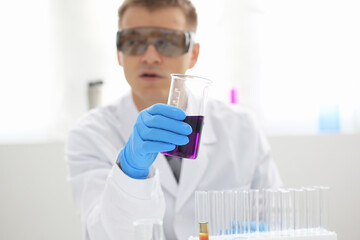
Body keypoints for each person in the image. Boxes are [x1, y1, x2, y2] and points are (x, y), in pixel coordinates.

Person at [65, 0, 282, 239]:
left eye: (168, 42)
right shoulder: (88, 134)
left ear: (193, 54)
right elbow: (102, 234)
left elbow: (277, 220)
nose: (150, 56)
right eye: (134, 41)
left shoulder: (242, 128)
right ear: (119, 52)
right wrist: (129, 171)